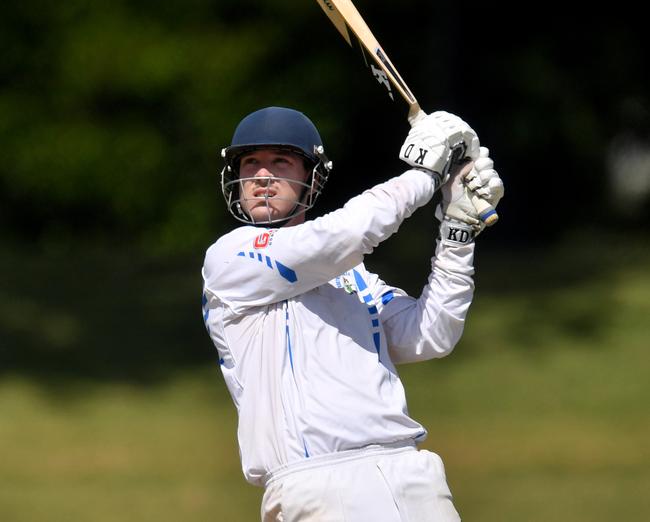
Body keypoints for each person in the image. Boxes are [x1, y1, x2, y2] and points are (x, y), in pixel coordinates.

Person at [202, 106, 504, 521]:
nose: (263, 176)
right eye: (250, 163)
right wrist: (426, 174)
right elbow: (340, 236)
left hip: (412, 474)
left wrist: (458, 231)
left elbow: (430, 335)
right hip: (319, 485)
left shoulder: (353, 277)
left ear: (311, 178)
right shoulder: (230, 260)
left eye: (280, 162)